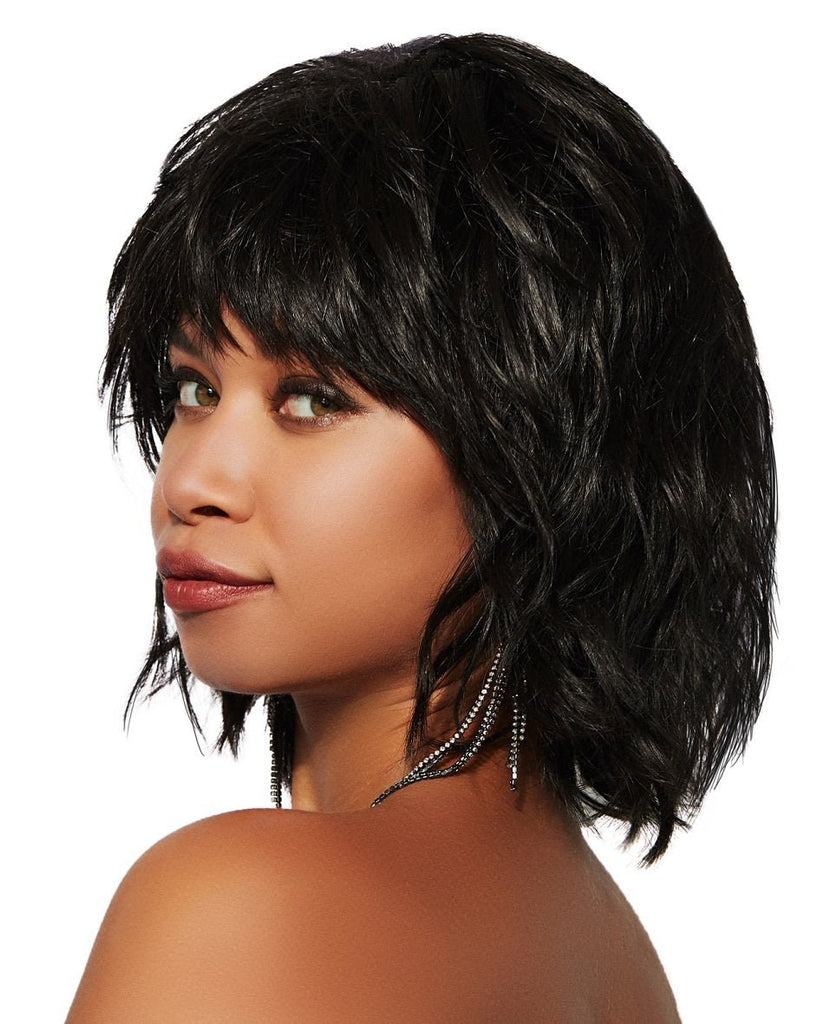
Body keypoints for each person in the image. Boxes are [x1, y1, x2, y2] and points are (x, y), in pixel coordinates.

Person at [66, 32, 775, 1023]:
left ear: (537, 453)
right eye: (194, 388)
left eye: (311, 399)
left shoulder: (236, 906)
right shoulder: (613, 957)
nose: (191, 481)